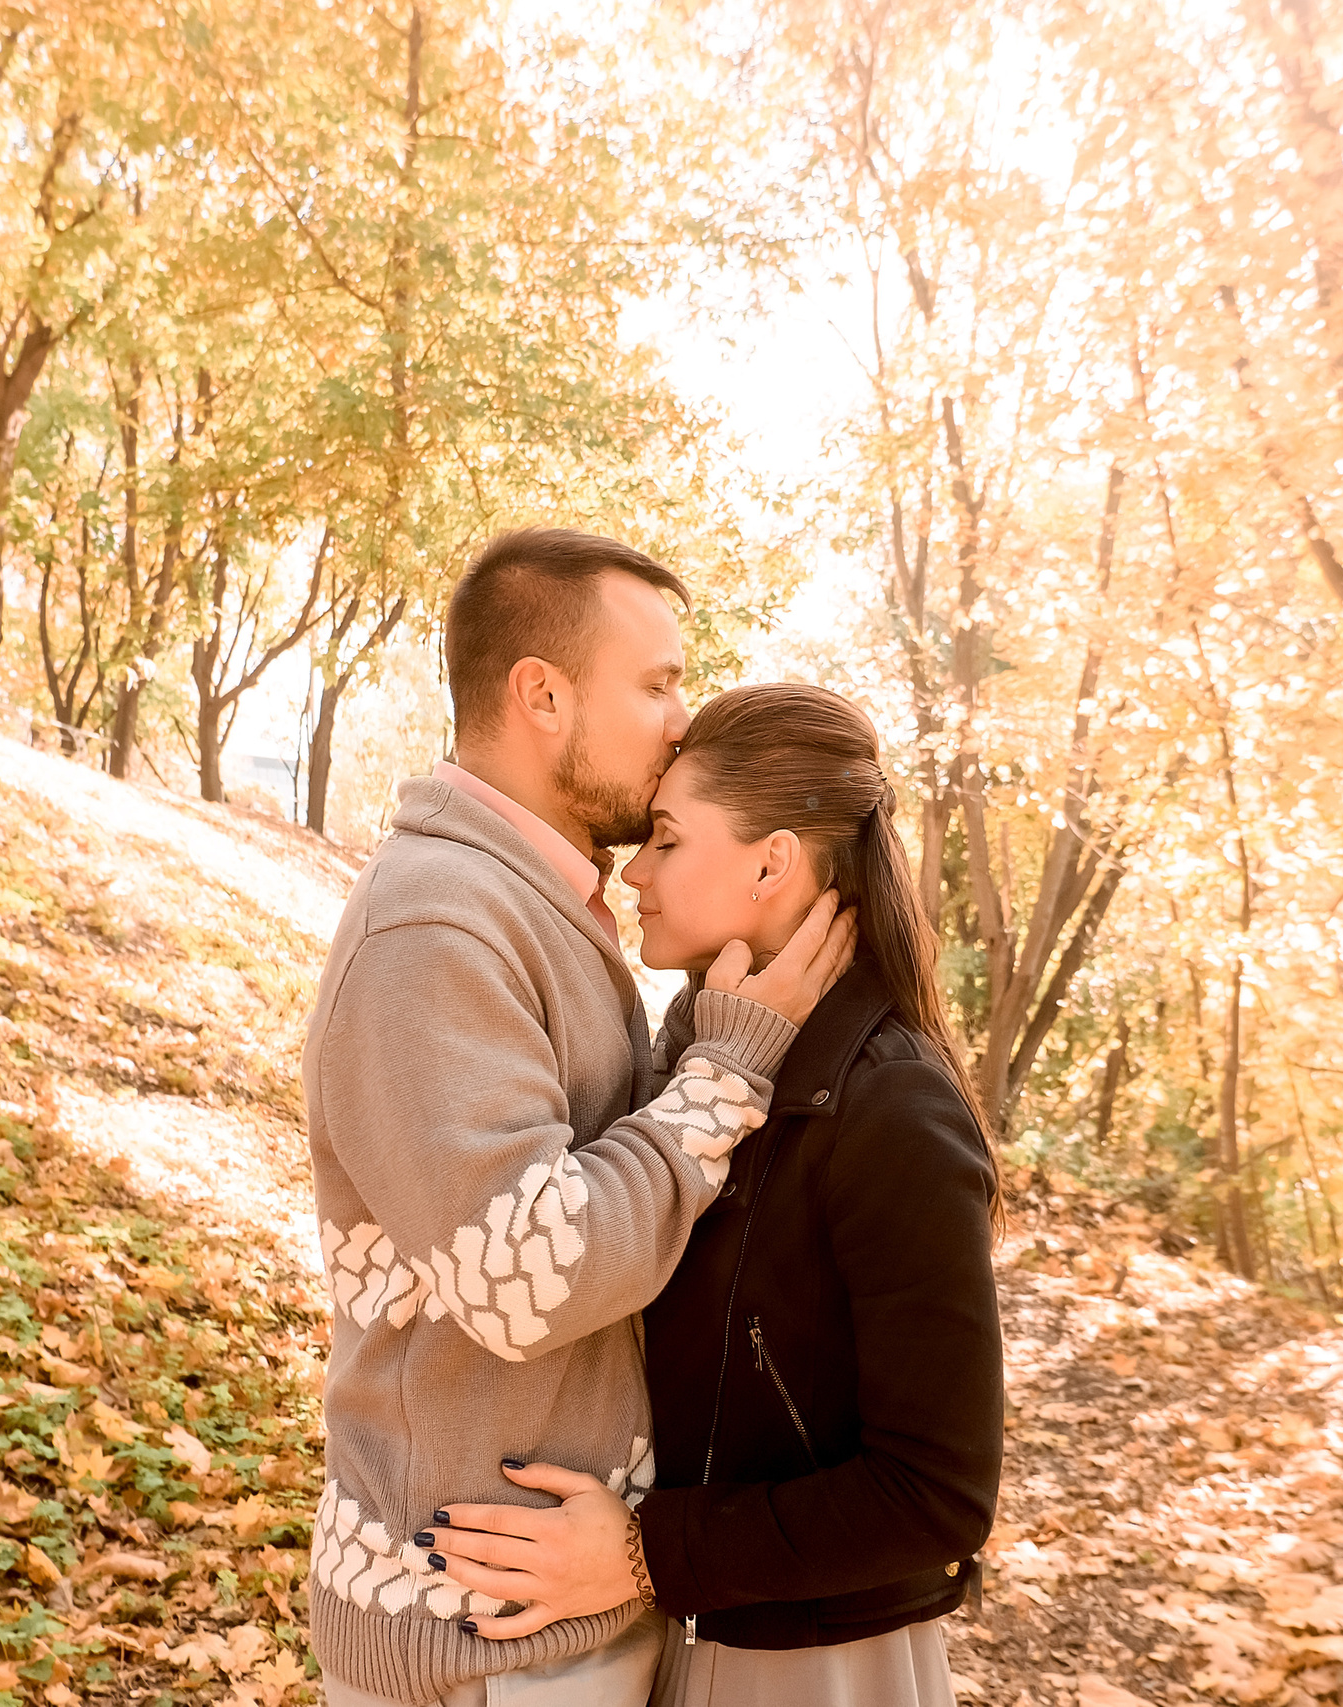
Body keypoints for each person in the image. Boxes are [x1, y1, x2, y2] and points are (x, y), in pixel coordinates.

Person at [302, 533, 857, 1707]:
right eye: (656, 684)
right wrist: (726, 1073)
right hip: (480, 1632)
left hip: (555, 1606)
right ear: (542, 695)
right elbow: (523, 1277)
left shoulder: (540, 903)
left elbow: (592, 1162)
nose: (680, 720)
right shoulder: (438, 928)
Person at [427, 683, 1004, 1707]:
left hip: (819, 1665)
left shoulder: (893, 1109)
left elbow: (938, 1494)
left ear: (771, 863)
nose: (633, 871)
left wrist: (648, 1556)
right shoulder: (704, 1046)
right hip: (693, 1636)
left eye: (664, 840)